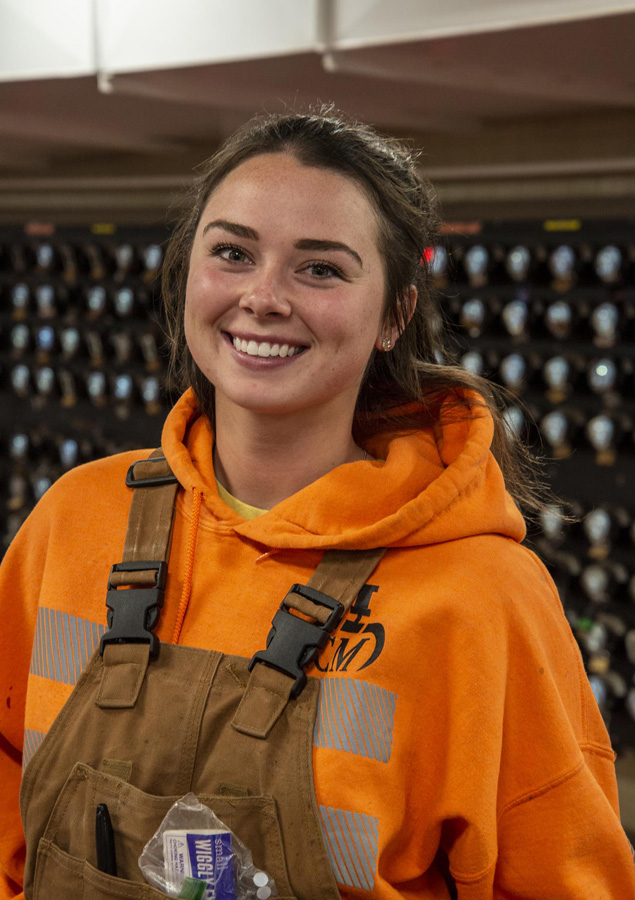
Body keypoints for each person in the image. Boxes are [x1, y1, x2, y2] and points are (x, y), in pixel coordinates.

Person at [1, 107, 634, 900]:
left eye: (320, 269)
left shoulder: (482, 598)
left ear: (393, 316)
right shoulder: (77, 518)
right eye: (232, 252)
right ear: (186, 273)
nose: (262, 298)